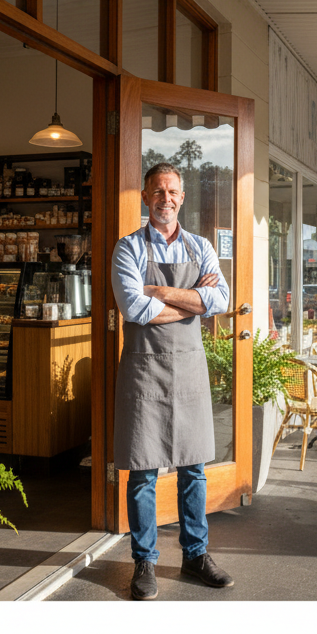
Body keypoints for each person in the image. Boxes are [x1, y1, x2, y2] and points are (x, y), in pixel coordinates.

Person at [110, 162, 235, 600]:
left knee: (194, 468)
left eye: (173, 191)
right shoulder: (128, 249)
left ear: (182, 197)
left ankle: (196, 555)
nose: (166, 198)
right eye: (158, 191)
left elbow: (220, 299)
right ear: (145, 197)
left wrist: (160, 292)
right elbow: (133, 309)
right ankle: (144, 562)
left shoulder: (200, 246)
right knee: (142, 471)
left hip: (189, 370)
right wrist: (193, 303)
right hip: (144, 371)